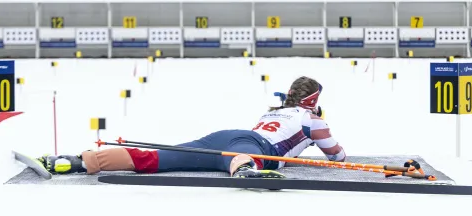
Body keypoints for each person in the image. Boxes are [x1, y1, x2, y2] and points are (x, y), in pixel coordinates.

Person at [38, 76, 346, 179]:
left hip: (222, 140)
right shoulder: (312, 119)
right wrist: (319, 136)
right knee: (242, 158)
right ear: (313, 100)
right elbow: (338, 156)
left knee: (158, 158)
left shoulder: (275, 113)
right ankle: (245, 171)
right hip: (247, 148)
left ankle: (83, 161)